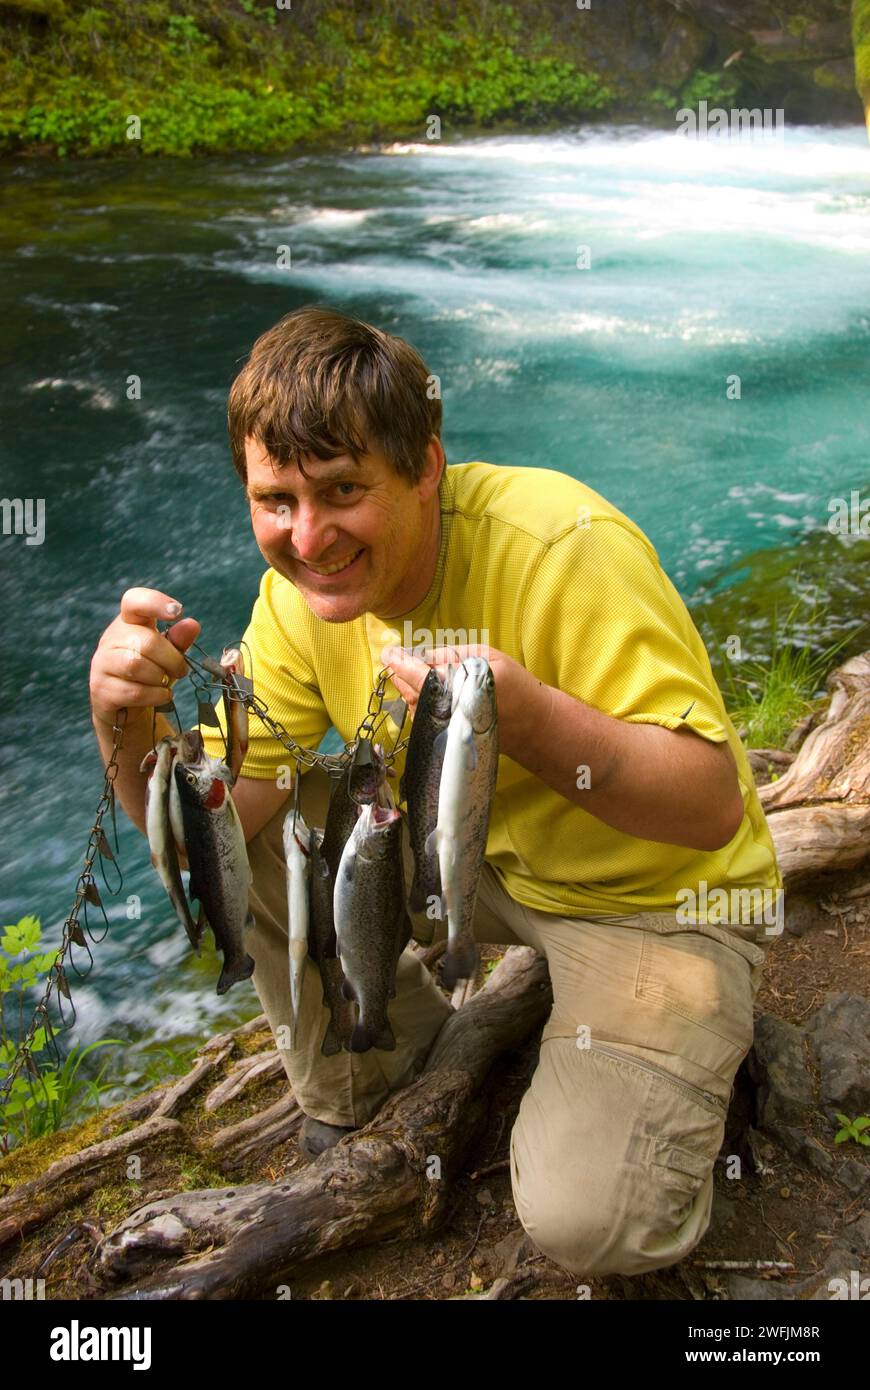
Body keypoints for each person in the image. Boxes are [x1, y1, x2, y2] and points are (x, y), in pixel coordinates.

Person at [89, 304, 782, 1278]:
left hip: (652, 899)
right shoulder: (296, 597)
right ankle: (373, 1066)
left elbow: (711, 804)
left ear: (425, 466)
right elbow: (217, 824)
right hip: (455, 866)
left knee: (592, 1221)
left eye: (341, 490)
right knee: (249, 830)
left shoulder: (560, 543)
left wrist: (528, 717)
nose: (309, 536)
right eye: (275, 499)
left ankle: (696, 1056)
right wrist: (125, 725)